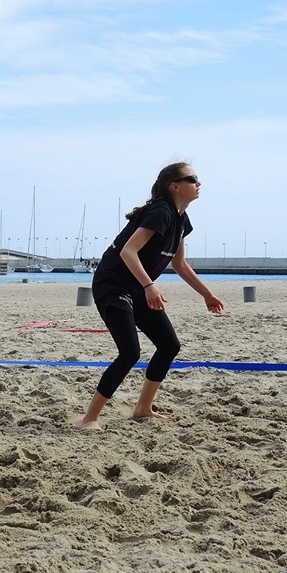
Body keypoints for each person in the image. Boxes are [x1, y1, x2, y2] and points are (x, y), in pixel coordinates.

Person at [76, 162, 224, 431]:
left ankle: (143, 408)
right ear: (175, 186)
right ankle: (89, 419)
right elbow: (128, 252)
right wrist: (149, 286)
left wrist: (208, 294)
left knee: (169, 345)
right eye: (192, 178)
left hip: (138, 286)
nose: (198, 183)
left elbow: (179, 265)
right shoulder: (161, 212)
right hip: (113, 284)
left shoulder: (181, 220)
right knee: (130, 352)